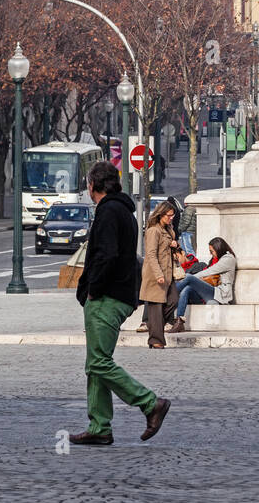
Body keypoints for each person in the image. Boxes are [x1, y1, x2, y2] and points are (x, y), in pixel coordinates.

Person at [69, 160, 170, 446]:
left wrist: (93, 289)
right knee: (95, 363)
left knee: (99, 362)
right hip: (117, 294)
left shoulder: (109, 211)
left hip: (106, 296)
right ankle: (100, 425)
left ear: (92, 186)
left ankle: (150, 403)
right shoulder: (124, 211)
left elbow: (107, 254)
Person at [139, 201, 180, 349]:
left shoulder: (169, 229)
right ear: (161, 214)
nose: (171, 218)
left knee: (174, 300)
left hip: (168, 273)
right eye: (169, 216)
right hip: (156, 273)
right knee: (155, 306)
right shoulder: (153, 231)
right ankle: (156, 340)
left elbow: (167, 248)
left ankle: (154, 328)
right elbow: (150, 254)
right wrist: (158, 274)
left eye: (172, 215)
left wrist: (174, 245)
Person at [171, 238, 236, 330]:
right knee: (187, 289)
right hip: (211, 291)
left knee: (189, 277)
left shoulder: (228, 259)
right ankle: (179, 321)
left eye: (212, 251)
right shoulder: (214, 260)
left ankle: (169, 294)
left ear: (219, 248)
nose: (211, 254)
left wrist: (192, 278)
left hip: (220, 294)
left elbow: (210, 271)